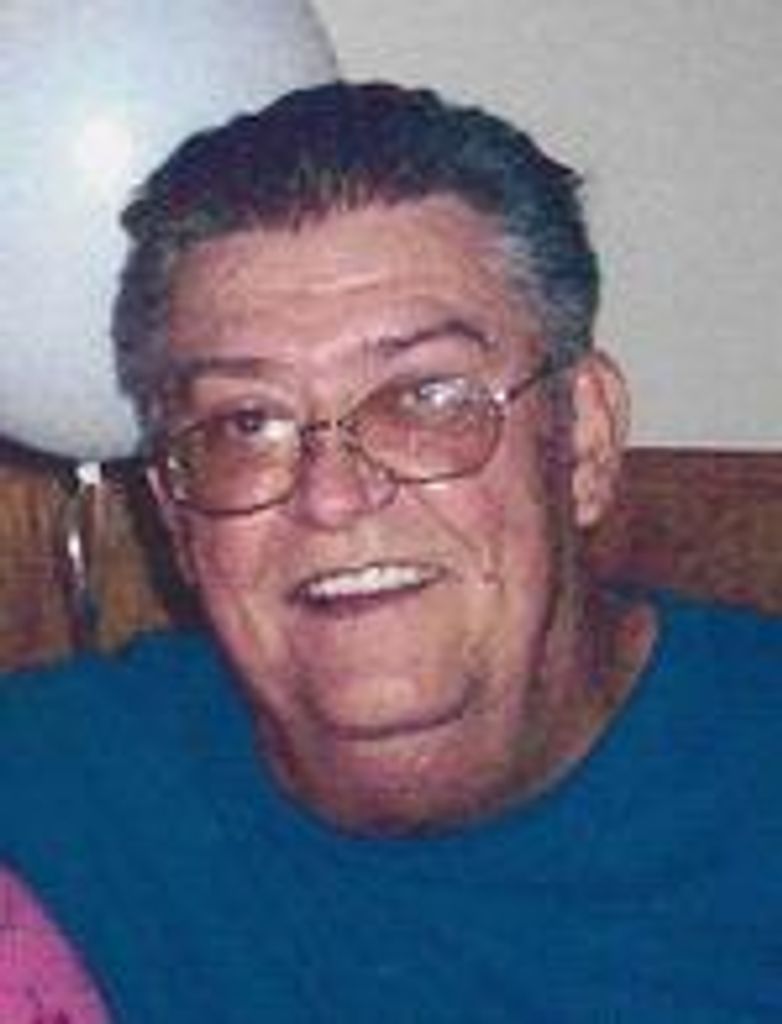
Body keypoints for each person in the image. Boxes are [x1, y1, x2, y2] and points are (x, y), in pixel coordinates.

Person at [1, 81, 780, 1023]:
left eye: (424, 398)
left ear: (582, 438)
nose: (332, 497)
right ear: (175, 510)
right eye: (247, 422)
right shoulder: (66, 794)